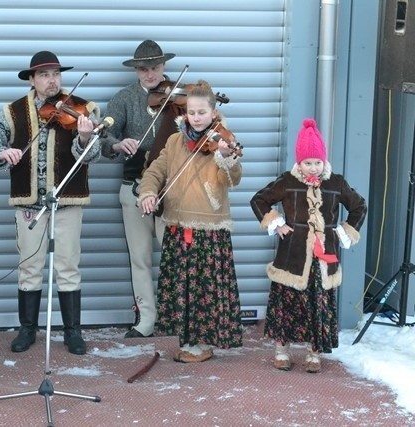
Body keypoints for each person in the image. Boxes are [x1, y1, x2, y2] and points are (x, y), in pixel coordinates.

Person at [0, 51, 102, 355]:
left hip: (68, 199)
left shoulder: (83, 108)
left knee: (68, 265)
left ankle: (72, 332)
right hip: (30, 201)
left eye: (56, 74)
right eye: (44, 75)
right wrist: (0, 152)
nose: (52, 80)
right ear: (32, 79)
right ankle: (27, 329)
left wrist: (85, 139)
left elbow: (95, 154)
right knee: (30, 266)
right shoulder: (13, 111)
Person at [137, 80, 243, 362]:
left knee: (203, 288)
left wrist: (226, 158)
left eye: (202, 112)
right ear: (184, 113)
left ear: (213, 113)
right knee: (181, 288)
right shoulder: (175, 141)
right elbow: (155, 171)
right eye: (192, 112)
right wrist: (148, 193)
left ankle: (202, 342)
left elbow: (232, 180)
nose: (196, 117)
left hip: (209, 227)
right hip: (177, 225)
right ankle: (188, 340)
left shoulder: (223, 142)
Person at [250, 118, 367, 373]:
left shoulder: (336, 183)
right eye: (307, 162)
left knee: (318, 304)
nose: (313, 168)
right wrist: (277, 223)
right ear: (299, 161)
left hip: (323, 259)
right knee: (287, 304)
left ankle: (314, 353)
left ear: (324, 160)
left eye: (317, 162)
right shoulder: (288, 181)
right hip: (292, 256)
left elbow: (359, 206)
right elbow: (259, 200)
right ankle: (282, 350)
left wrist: (343, 232)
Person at [100, 40, 182, 338]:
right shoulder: (123, 99)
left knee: (175, 255)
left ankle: (176, 316)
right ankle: (146, 318)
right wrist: (117, 144)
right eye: (145, 69)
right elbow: (104, 135)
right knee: (140, 257)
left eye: (156, 68)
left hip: (171, 188)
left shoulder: (178, 96)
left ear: (164, 67)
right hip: (133, 186)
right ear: (136, 70)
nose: (150, 74)